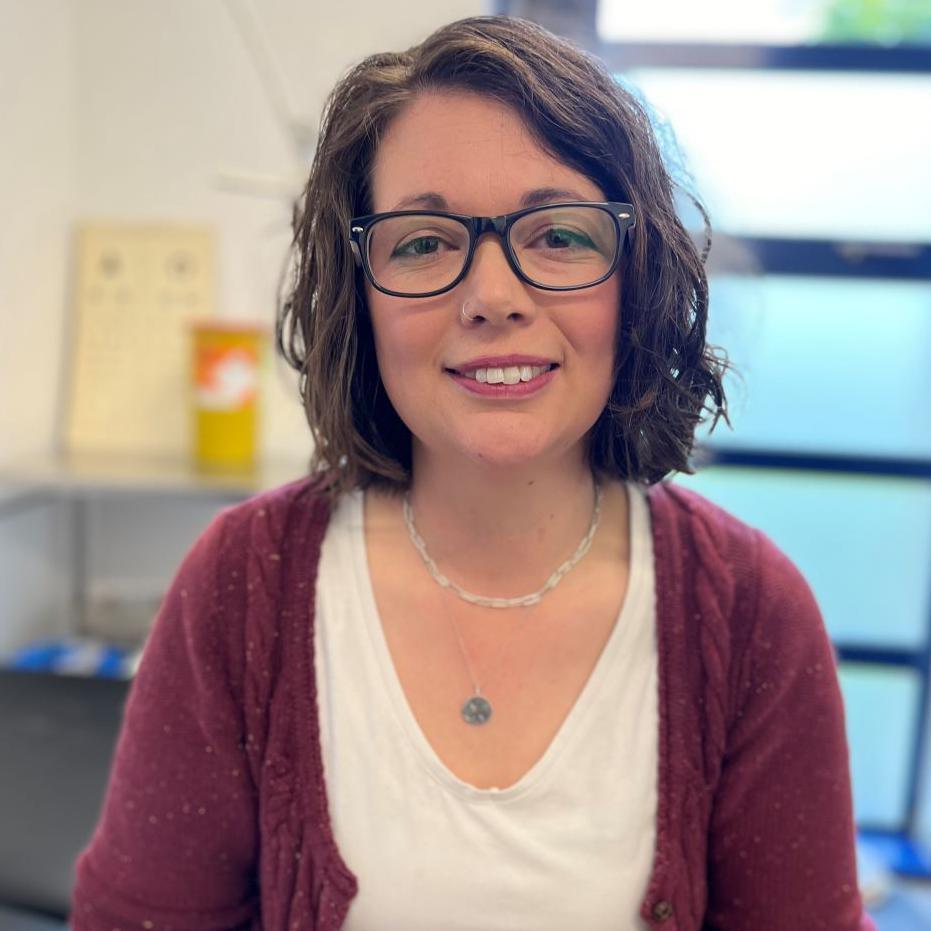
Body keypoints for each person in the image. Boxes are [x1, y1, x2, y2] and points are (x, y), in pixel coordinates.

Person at [70, 15, 875, 931]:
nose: (492, 297)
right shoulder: (242, 585)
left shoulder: (747, 612)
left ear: (636, 276)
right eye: (423, 242)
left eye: (558, 236)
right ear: (357, 294)